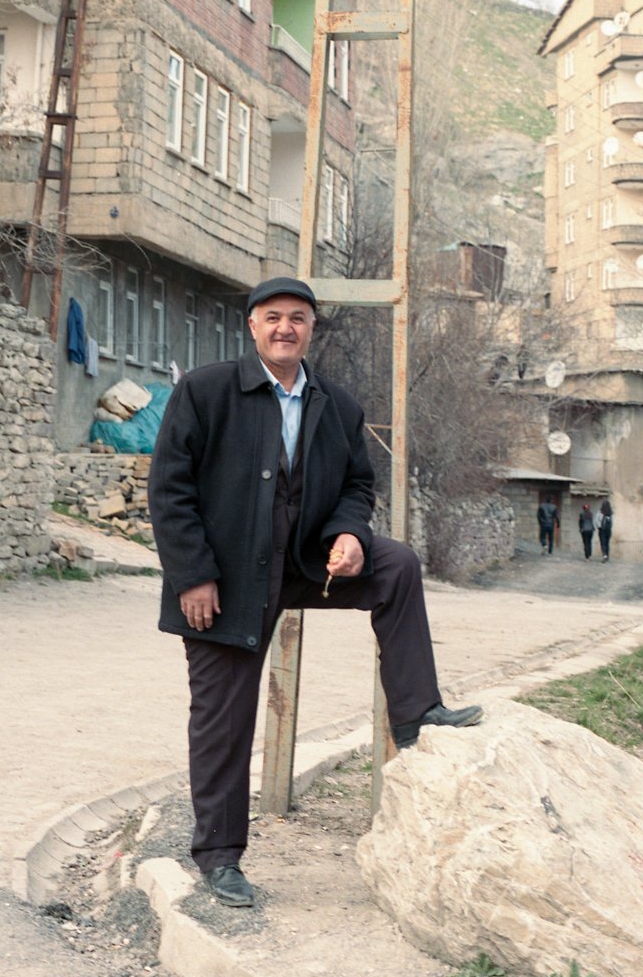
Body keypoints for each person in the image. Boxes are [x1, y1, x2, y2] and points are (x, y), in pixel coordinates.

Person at [148, 276, 484, 909]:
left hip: (304, 563)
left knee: (397, 566)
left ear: (310, 329)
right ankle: (220, 859)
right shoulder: (206, 391)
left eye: (297, 318)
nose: (285, 328)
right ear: (252, 326)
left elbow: (357, 485)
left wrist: (351, 534)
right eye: (272, 317)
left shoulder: (337, 405)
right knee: (224, 721)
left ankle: (416, 715)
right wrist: (192, 575)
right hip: (225, 582)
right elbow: (169, 490)